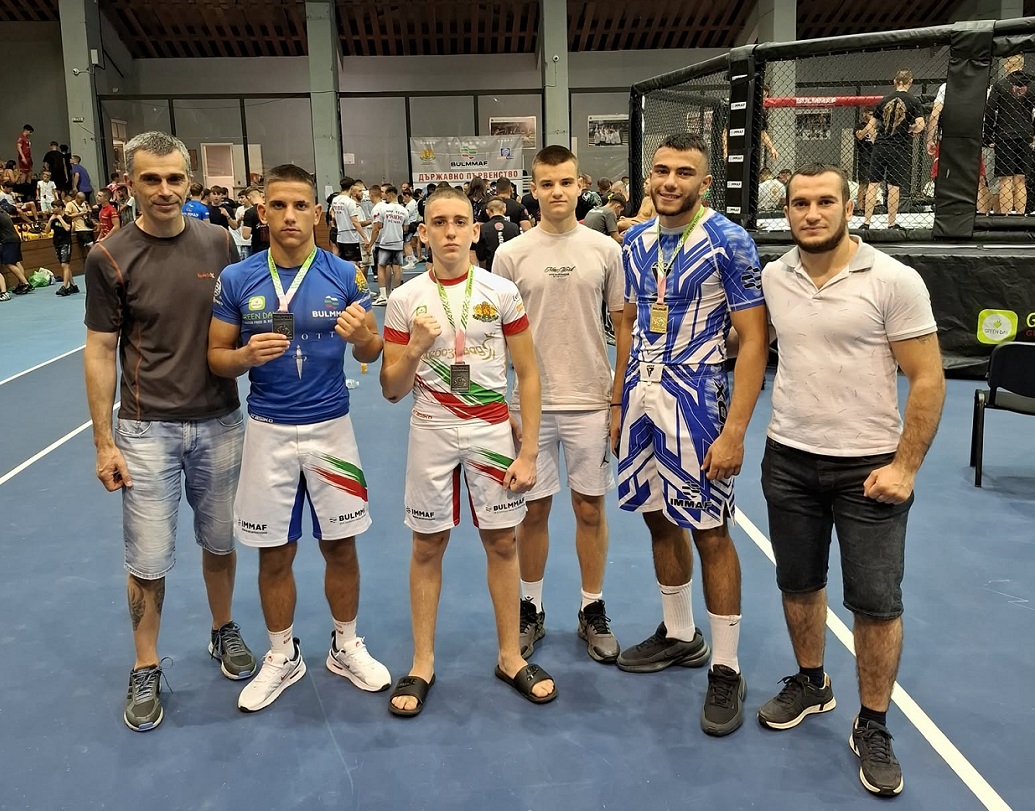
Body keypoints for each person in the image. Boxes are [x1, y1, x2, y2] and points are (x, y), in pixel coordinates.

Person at [757, 163, 944, 797]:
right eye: (800, 203)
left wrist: (905, 467)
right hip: (788, 459)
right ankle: (812, 682)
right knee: (798, 583)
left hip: (868, 469)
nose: (812, 214)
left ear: (848, 207)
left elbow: (927, 377)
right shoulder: (775, 276)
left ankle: (873, 723)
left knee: (876, 603)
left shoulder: (894, 280)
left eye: (825, 202)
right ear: (787, 210)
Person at [83, 131, 255, 733]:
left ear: (189, 181)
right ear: (129, 183)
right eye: (151, 179)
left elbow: (242, 320)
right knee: (149, 558)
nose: (164, 189)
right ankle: (146, 664)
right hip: (145, 430)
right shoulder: (107, 257)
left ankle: (222, 628)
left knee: (221, 542)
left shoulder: (220, 242)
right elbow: (100, 350)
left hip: (221, 421)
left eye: (174, 178)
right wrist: (104, 441)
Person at [209, 163, 389, 713]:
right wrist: (244, 355)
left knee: (341, 544)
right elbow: (216, 358)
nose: (290, 216)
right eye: (279, 205)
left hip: (332, 428)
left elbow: (371, 349)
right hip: (267, 430)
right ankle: (282, 654)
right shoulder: (237, 278)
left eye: (301, 205)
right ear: (262, 212)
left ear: (317, 213)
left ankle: (345, 645)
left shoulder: (346, 275)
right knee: (274, 551)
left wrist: (364, 339)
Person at [611, 133, 769, 736]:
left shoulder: (729, 240)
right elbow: (630, 323)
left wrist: (735, 432)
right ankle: (680, 634)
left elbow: (754, 340)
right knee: (657, 516)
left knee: (710, 530)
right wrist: (616, 401)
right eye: (661, 170)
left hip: (699, 398)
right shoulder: (634, 241)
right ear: (648, 177)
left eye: (684, 172)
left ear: (704, 182)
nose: (669, 181)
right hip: (641, 396)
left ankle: (726, 667)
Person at [380, 185, 554, 716]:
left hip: (490, 430)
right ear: (423, 233)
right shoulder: (404, 299)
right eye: (439, 222)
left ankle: (510, 656)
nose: (450, 231)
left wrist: (528, 452)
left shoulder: (502, 292)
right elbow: (390, 388)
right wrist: (415, 347)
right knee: (426, 546)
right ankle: (422, 663)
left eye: (460, 222)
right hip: (430, 428)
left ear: (476, 231)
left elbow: (528, 373)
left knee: (502, 542)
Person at [493, 145, 625, 665]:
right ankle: (530, 607)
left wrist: (616, 398)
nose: (556, 192)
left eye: (565, 182)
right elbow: (495, 336)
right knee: (534, 509)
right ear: (534, 188)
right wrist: (502, 403)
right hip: (530, 407)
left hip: (590, 400)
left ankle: (592, 607)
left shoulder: (605, 250)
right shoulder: (511, 254)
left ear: (579, 185)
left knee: (589, 508)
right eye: (546, 184)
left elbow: (623, 325)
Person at [861, 70, 925, 230]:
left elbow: (870, 126)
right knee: (893, 186)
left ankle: (866, 222)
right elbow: (921, 125)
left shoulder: (884, 100)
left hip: (881, 145)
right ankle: (891, 223)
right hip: (899, 146)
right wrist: (909, 129)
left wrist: (874, 138)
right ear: (910, 82)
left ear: (894, 82)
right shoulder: (913, 101)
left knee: (873, 184)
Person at [984, 55, 1035, 215]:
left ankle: (1006, 218)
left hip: (1005, 135)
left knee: (1005, 180)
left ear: (1007, 65)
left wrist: (987, 135)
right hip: (1025, 134)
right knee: (1021, 179)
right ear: (1022, 64)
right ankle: (1020, 218)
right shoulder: (1032, 85)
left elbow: (990, 111)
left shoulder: (1000, 85)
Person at [369, 184, 408, 305]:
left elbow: (378, 227)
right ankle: (395, 295)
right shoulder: (404, 210)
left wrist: (370, 243)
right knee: (397, 268)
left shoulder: (383, 209)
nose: (384, 196)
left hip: (385, 242)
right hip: (398, 243)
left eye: (385, 194)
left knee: (381, 267)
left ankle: (383, 296)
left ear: (390, 194)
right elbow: (406, 228)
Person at [474, 196, 521, 271]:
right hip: (511, 269)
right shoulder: (514, 227)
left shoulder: (483, 229)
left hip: (491, 270)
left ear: (487, 211)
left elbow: (481, 256)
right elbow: (518, 251)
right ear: (504, 209)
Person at [48, 193, 77, 296]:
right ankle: (73, 285)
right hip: (57, 243)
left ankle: (64, 286)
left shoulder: (67, 218)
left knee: (65, 264)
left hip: (66, 243)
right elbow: (47, 231)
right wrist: (50, 221)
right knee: (65, 265)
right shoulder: (53, 219)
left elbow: (67, 228)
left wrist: (60, 218)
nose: (53, 209)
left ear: (60, 207)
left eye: (54, 207)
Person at [0, 207, 33, 297]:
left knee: (9, 263)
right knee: (16, 262)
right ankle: (22, 284)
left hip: (8, 241)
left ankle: (25, 283)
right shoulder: (4, 213)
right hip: (15, 238)